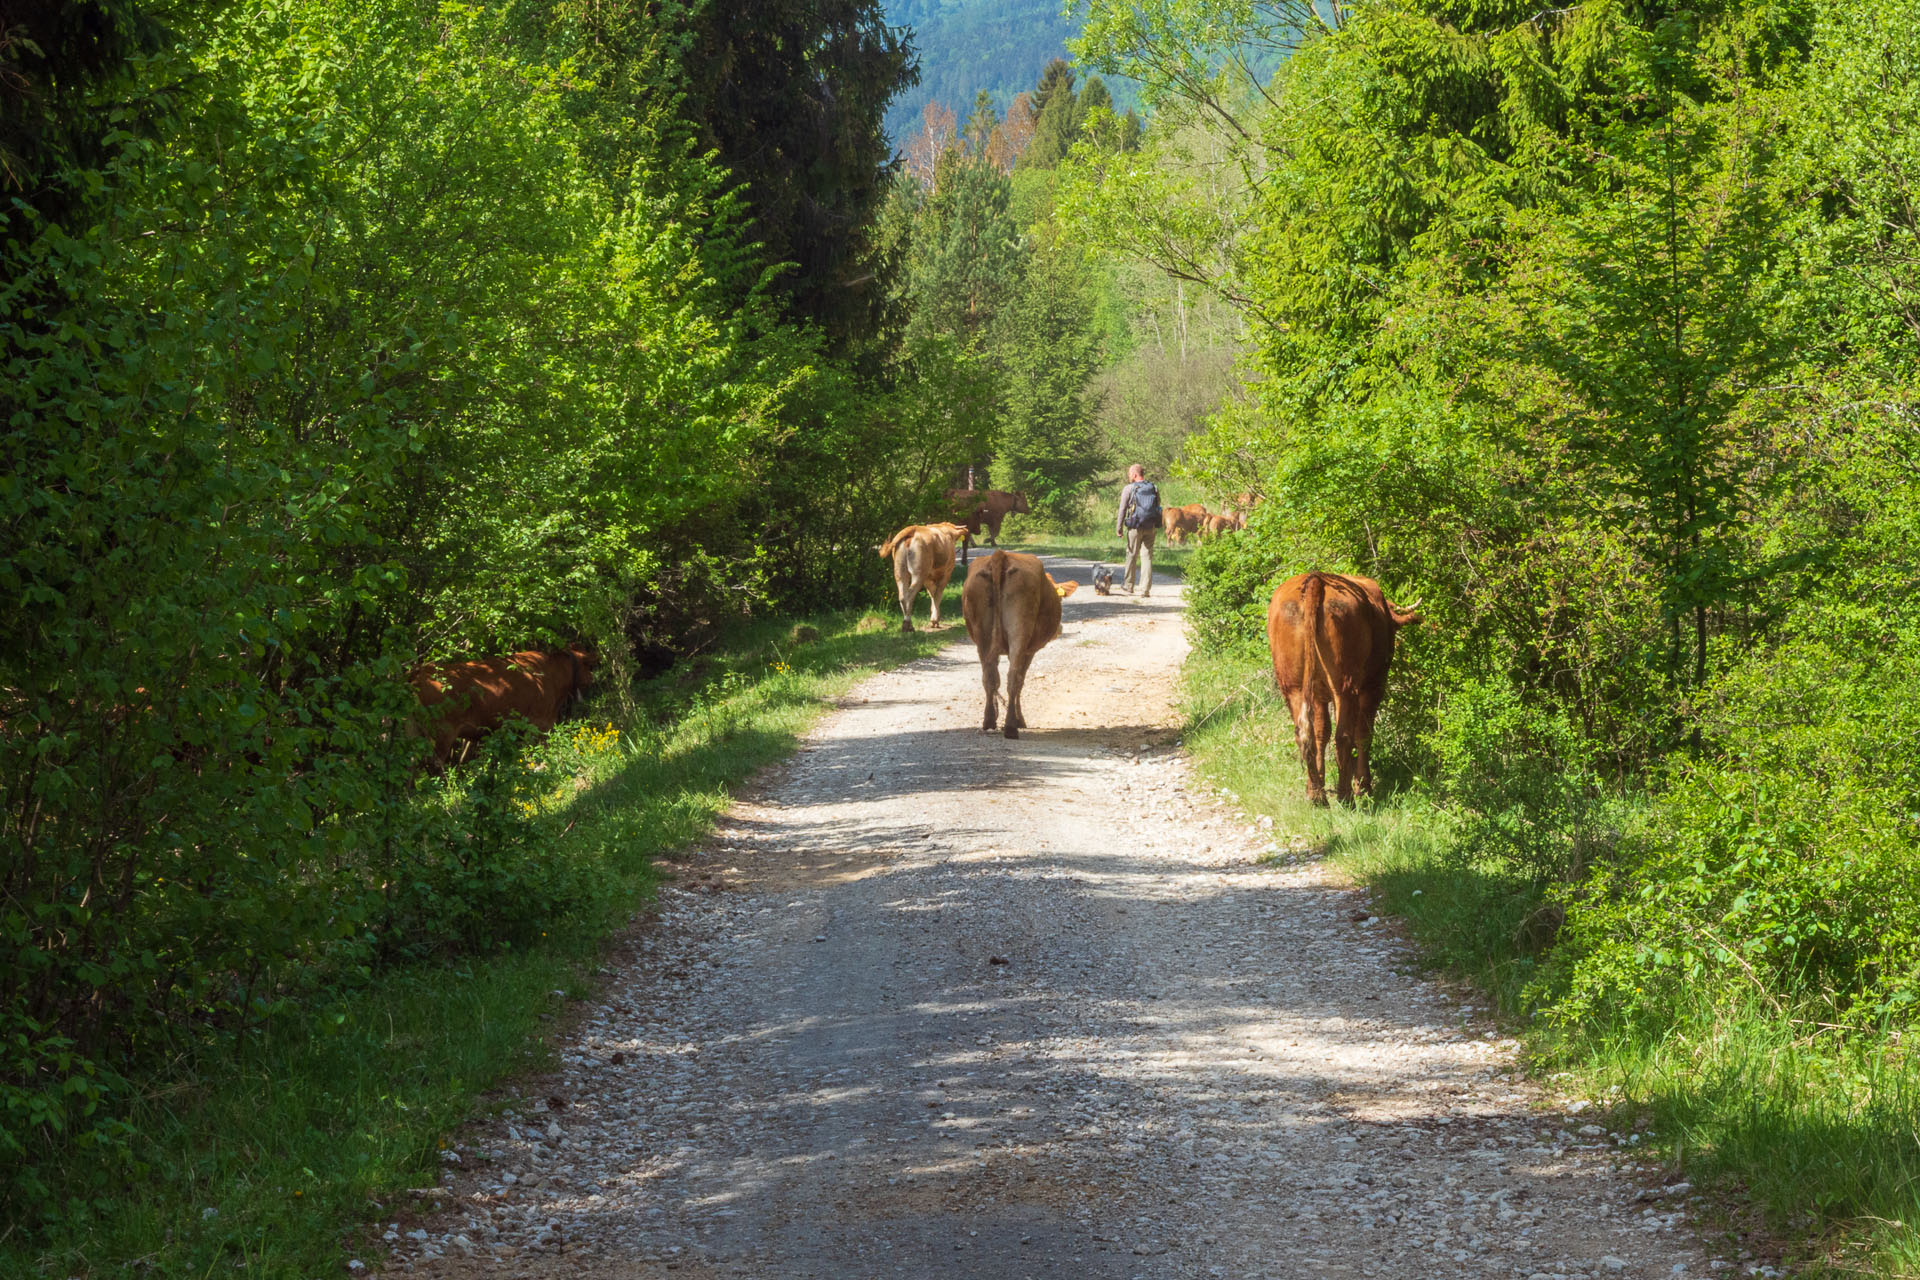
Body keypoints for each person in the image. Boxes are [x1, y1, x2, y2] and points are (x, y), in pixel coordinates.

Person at [1113, 463, 1161, 597]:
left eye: (1129, 473)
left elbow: (1122, 509)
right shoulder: (1154, 487)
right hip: (1150, 526)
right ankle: (1145, 589)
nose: (1128, 476)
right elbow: (1158, 506)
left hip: (1134, 526)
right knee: (1147, 557)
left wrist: (1119, 528)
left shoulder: (1129, 488)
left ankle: (1129, 586)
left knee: (1131, 555)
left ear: (1134, 474)